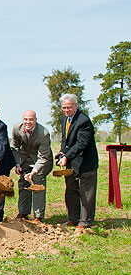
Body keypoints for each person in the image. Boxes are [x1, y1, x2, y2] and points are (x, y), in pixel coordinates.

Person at [57, 93, 99, 231]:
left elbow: (81, 144)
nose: (66, 110)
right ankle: (73, 219)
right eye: (64, 108)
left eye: (69, 107)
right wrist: (62, 153)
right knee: (71, 191)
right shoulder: (65, 118)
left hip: (86, 163)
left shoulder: (84, 121)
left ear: (76, 106)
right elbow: (65, 138)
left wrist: (67, 156)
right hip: (71, 163)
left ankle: (85, 222)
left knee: (86, 193)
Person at [11, 110, 53, 222]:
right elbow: (14, 148)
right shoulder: (16, 128)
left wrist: (34, 171)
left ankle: (38, 216)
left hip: (41, 160)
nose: (28, 122)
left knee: (37, 183)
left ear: (36, 120)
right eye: (25, 119)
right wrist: (18, 164)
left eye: (31, 119)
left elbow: (43, 156)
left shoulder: (43, 133)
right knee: (23, 183)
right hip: (25, 159)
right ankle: (23, 213)